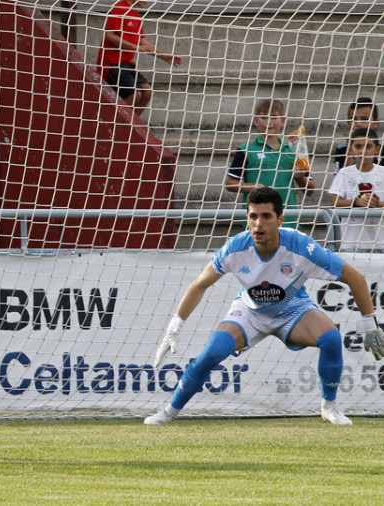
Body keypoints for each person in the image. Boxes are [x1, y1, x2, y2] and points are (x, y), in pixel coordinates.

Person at [145, 187, 384, 426]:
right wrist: (174, 327)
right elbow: (199, 284)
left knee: (331, 338)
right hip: (250, 311)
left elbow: (355, 278)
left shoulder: (302, 248)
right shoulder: (235, 248)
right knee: (211, 353)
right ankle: (169, 411)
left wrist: (369, 324)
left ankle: (329, 407)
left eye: (266, 216)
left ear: (280, 219)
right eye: (253, 216)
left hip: (293, 309)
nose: (258, 224)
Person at [225, 99, 316, 229]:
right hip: (257, 223)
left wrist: (300, 177)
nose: (269, 122)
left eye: (274, 117)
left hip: (288, 222)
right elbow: (230, 183)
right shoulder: (245, 149)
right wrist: (252, 187)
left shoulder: (294, 150)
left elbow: (310, 190)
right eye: (264, 117)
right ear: (256, 121)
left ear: (283, 120)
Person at [96, 0, 182, 116]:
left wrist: (163, 56)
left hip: (126, 64)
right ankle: (107, 120)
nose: (147, 2)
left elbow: (143, 43)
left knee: (147, 91)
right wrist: (134, 47)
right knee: (135, 96)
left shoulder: (136, 16)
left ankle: (132, 124)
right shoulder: (119, 8)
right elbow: (109, 35)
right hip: (112, 63)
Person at [328, 128, 384, 252]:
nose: (362, 151)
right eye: (358, 146)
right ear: (351, 149)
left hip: (380, 243)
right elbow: (335, 203)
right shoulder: (345, 173)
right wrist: (356, 202)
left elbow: (379, 203)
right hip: (350, 243)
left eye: (368, 147)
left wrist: (377, 204)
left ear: (377, 149)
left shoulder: (382, 173)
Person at [330, 98, 382, 172]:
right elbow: (343, 179)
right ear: (348, 122)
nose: (358, 124)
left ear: (375, 123)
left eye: (364, 119)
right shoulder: (342, 149)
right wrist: (349, 148)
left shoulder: (382, 149)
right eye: (354, 120)